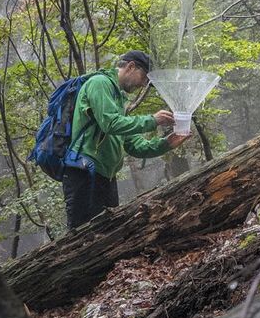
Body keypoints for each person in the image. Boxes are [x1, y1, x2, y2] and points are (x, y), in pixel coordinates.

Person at [64, 49, 190, 229]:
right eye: (145, 78)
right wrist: (152, 120)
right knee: (82, 237)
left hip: (105, 177)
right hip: (84, 172)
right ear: (131, 67)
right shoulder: (99, 83)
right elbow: (110, 123)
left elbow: (134, 146)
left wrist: (167, 143)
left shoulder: (119, 99)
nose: (144, 84)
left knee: (107, 233)